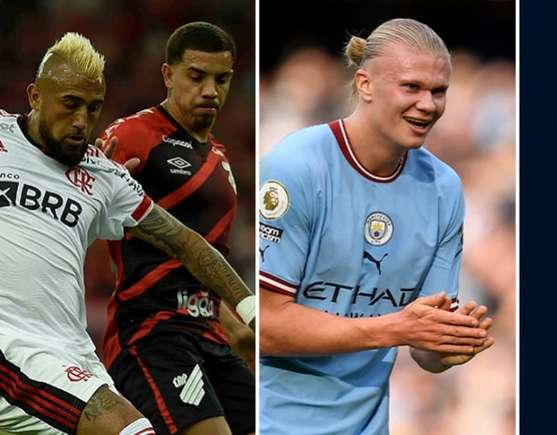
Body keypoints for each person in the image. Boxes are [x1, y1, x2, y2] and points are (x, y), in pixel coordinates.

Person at [0, 32, 254, 435]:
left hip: (74, 357)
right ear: (34, 96)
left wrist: (249, 307)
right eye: (70, 105)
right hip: (16, 343)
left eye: (93, 107)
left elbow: (185, 241)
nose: (82, 121)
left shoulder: (104, 175)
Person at [259, 18, 495, 434]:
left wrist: (450, 342)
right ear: (365, 84)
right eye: (412, 87)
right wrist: (395, 328)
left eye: (439, 91)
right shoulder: (297, 166)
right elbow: (265, 325)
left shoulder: (443, 188)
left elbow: (423, 351)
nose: (428, 104)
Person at [97, 22, 254, 435]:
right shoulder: (132, 134)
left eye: (221, 79)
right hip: (151, 331)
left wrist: (236, 324)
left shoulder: (219, 156)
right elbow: (81, 199)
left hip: (210, 334)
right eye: (196, 76)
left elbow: (205, 261)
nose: (210, 91)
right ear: (169, 75)